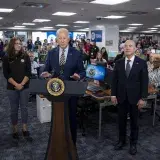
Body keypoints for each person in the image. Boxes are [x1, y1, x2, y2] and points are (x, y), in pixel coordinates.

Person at [41, 28, 86, 145]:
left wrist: (78, 76)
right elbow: (46, 69)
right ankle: (58, 141)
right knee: (57, 117)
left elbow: (82, 72)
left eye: (64, 38)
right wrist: (46, 74)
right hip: (56, 90)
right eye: (60, 38)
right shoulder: (51, 53)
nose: (62, 40)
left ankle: (72, 143)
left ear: (69, 39)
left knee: (71, 117)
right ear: (56, 39)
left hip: (71, 90)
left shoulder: (76, 53)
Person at [111, 40, 148, 155]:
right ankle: (121, 141)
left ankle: (133, 143)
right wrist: (113, 94)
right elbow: (114, 80)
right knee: (121, 122)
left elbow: (144, 82)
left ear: (135, 48)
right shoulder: (118, 62)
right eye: (125, 46)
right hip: (121, 97)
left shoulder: (141, 63)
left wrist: (143, 98)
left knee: (134, 122)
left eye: (130, 46)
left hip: (135, 98)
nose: (127, 48)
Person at [2, 37, 32, 142]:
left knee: (24, 108)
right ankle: (15, 129)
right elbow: (6, 73)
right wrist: (16, 84)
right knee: (14, 109)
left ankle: (24, 128)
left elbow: (29, 72)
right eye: (16, 43)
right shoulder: (6, 57)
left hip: (25, 87)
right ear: (12, 45)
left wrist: (22, 84)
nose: (19, 45)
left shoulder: (25, 56)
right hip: (12, 87)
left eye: (20, 43)